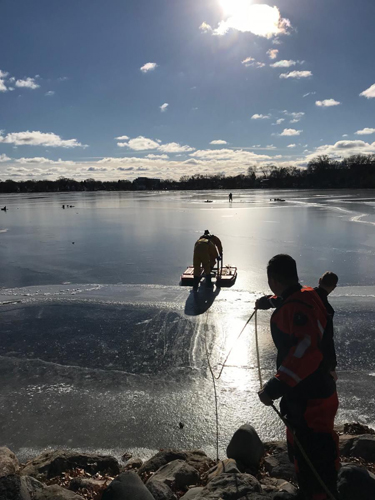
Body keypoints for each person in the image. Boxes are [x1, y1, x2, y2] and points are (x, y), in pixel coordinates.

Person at [257, 255, 339, 500]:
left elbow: (306, 350)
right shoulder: (309, 294)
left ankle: (320, 493)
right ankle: (311, 487)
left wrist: (275, 386)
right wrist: (269, 302)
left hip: (310, 395)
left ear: (272, 280)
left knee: (313, 451)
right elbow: (293, 295)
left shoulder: (296, 308)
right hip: (313, 391)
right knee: (303, 444)